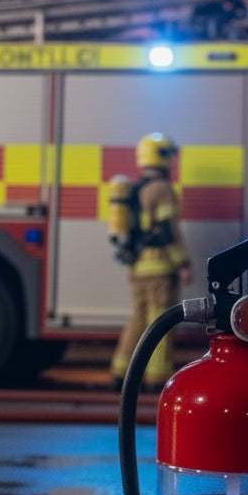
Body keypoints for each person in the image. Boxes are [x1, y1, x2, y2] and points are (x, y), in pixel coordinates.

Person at [109, 132, 192, 392]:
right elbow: (168, 230)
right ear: (163, 157)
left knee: (138, 319)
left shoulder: (136, 188)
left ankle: (120, 372)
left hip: (137, 267)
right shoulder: (162, 189)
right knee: (161, 324)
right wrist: (182, 263)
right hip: (159, 269)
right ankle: (157, 379)